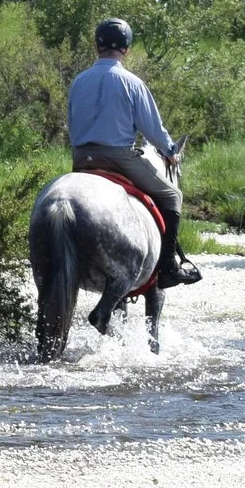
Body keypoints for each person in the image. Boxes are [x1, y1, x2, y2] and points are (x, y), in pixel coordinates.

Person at [67, 18, 201, 287]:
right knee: (173, 196)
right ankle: (167, 268)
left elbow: (71, 122)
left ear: (97, 45)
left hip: (81, 159)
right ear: (126, 49)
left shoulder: (78, 82)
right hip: (117, 158)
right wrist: (171, 151)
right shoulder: (132, 83)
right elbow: (152, 128)